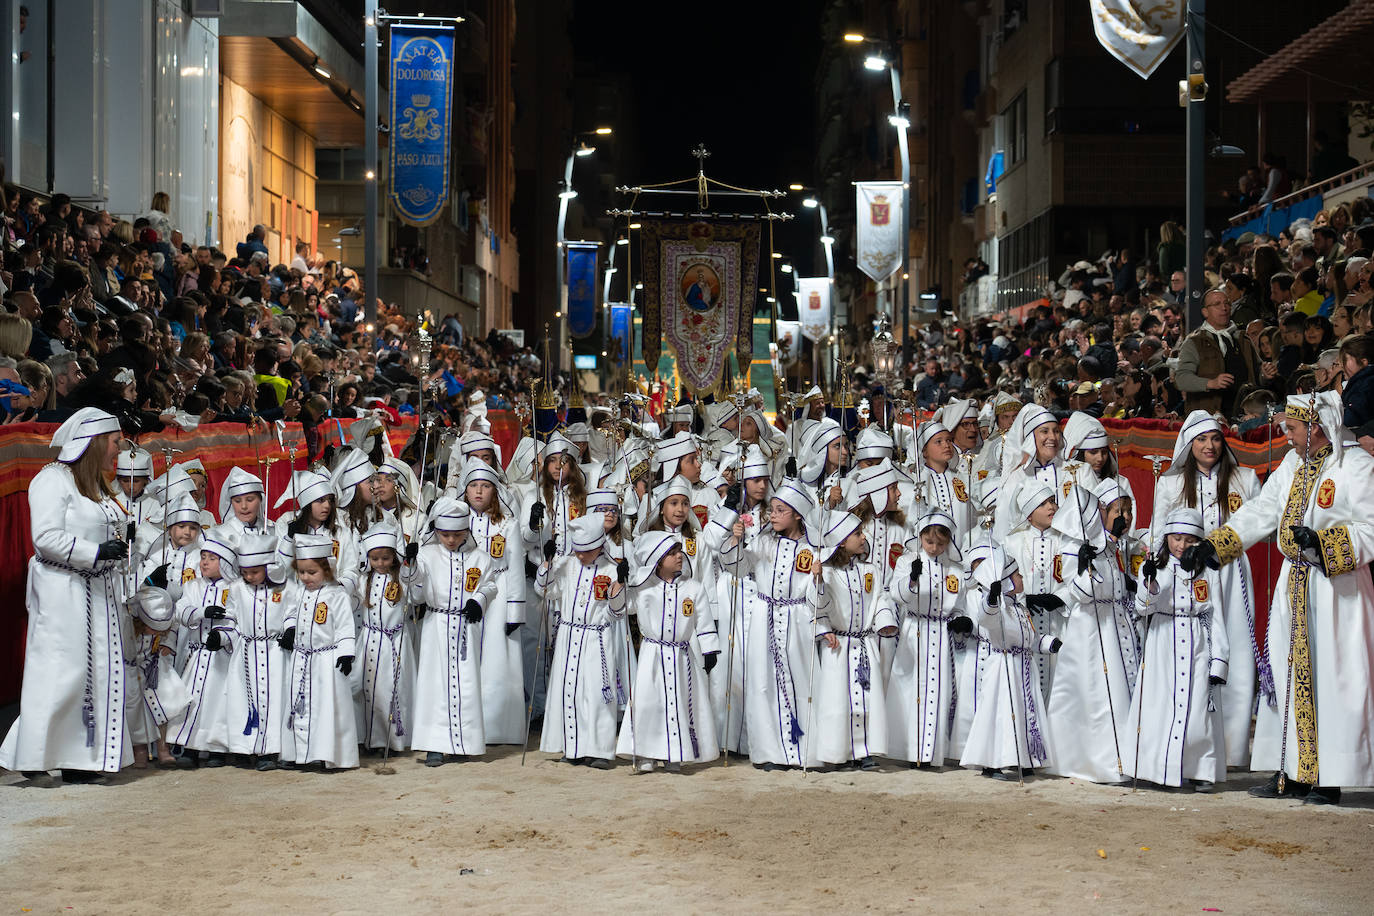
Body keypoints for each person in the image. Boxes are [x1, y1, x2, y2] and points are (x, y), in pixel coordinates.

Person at [1186, 391, 1374, 806]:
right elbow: (1262, 510)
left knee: (1332, 678)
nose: (1284, 434)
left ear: (1317, 428)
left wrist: (1325, 542)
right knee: (1285, 675)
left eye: (1292, 428)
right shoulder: (1292, 464)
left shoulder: (1357, 466)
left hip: (1335, 591)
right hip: (1294, 585)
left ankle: (1328, 776)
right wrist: (1216, 546)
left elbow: (1371, 527)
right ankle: (1292, 771)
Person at [0, 409, 135, 781]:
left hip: (95, 589)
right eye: (115, 441)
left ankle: (80, 759)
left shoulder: (94, 484)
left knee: (92, 674)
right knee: (62, 674)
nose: (119, 449)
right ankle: (41, 754)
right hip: (64, 592)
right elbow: (45, 538)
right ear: (93, 443)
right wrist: (94, 552)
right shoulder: (52, 480)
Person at [1149, 411, 1266, 767]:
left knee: (1237, 652)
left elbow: (1257, 524)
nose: (1210, 445)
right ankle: (1189, 743)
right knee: (1195, 651)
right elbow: (1158, 532)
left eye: (1215, 438)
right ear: (1189, 444)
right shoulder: (1170, 484)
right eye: (1202, 439)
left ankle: (1231, 749)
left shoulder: (1244, 478)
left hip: (1231, 573)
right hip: (1188, 576)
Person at [718, 479, 820, 770]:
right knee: (762, 684)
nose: (772, 515)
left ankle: (800, 750)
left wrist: (818, 577)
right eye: (772, 510)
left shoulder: (811, 548)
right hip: (764, 617)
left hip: (796, 619)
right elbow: (736, 567)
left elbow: (817, 593)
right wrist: (735, 541)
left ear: (797, 514)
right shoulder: (762, 542)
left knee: (799, 681)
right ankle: (768, 751)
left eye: (780, 510)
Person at [1124, 508, 1228, 792]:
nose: (1181, 546)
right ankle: (1157, 768)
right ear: (1167, 538)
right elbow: (1142, 608)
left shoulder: (1208, 572)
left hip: (1196, 640)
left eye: (1189, 541)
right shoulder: (1156, 567)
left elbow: (1215, 615)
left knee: (1197, 708)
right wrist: (1149, 583)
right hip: (1163, 640)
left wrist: (1219, 659)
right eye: (1176, 539)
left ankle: (1199, 768)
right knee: (1161, 705)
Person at [1044, 483, 1138, 785]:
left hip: (1115, 622)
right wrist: (1086, 565)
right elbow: (1080, 593)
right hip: (1091, 628)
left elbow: (1118, 584)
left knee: (1119, 689)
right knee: (1097, 692)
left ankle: (1127, 756)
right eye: (1116, 510)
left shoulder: (1112, 546)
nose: (1123, 516)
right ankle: (1101, 760)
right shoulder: (1076, 545)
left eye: (1127, 510)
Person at [616, 531, 720, 771]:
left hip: (682, 656)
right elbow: (619, 609)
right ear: (657, 559)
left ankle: (676, 752)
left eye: (679, 551)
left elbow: (703, 620)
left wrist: (709, 649)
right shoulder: (643, 589)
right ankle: (646, 754)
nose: (679, 556)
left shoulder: (693, 588)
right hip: (652, 656)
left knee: (679, 702)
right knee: (649, 703)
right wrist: (621, 583)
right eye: (672, 553)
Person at [958, 544, 1059, 780]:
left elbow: (1029, 639)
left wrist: (1049, 643)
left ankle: (1024, 758)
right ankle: (991, 762)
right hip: (1003, 668)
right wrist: (992, 598)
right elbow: (986, 617)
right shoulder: (998, 608)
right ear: (1006, 581)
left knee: (1025, 713)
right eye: (1017, 574)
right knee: (999, 713)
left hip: (1023, 668)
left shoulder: (1020, 608)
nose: (1022, 577)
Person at [534, 514, 628, 768]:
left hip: (597, 637)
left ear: (599, 545)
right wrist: (547, 563)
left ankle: (599, 750)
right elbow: (545, 589)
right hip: (568, 634)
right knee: (568, 691)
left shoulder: (611, 569)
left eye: (587, 550)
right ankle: (572, 747)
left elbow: (618, 612)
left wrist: (619, 584)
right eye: (578, 550)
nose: (581, 556)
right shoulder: (568, 565)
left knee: (597, 693)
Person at [807, 509, 898, 770]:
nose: (863, 537)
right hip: (840, 645)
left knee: (868, 699)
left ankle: (864, 751)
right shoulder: (828, 573)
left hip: (865, 644)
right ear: (841, 541)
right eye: (857, 534)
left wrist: (885, 622)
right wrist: (818, 581)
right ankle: (840, 753)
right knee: (839, 702)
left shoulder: (869, 570)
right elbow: (816, 607)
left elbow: (880, 598)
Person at [408, 500, 492, 766]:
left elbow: (490, 585)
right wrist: (409, 565)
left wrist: (478, 599)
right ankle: (434, 744)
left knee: (466, 685)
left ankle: (463, 743)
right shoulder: (427, 555)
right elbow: (415, 593)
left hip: (466, 626)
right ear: (437, 531)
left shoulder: (480, 557)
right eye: (446, 534)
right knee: (434, 685)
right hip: (436, 626)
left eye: (458, 534)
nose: (452, 539)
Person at [888, 511, 964, 767]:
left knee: (939, 691)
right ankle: (912, 751)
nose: (934, 548)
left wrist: (960, 618)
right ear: (920, 537)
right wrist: (911, 579)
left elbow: (959, 604)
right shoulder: (907, 561)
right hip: (915, 630)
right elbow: (898, 596)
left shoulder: (954, 569)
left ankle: (932, 753)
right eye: (930, 542)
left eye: (941, 544)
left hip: (941, 634)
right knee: (913, 690)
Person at [460, 463, 528, 744]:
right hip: (466, 591)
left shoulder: (507, 524)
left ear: (495, 491)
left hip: (498, 594)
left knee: (497, 661)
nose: (479, 491)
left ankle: (498, 726)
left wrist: (515, 610)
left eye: (485, 486)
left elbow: (514, 567)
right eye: (474, 485)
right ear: (464, 490)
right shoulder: (456, 520)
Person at [279, 534, 358, 771]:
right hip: (302, 658)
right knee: (298, 706)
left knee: (323, 709)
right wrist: (290, 629)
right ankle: (298, 754)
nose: (306, 578)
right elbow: (290, 613)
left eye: (311, 572)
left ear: (327, 569)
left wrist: (346, 653)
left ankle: (322, 754)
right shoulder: (299, 591)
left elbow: (345, 627)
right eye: (302, 572)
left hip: (326, 660)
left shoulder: (336, 595)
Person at [167, 530, 239, 767]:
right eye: (203, 557)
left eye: (212, 558)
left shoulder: (235, 588)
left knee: (218, 702)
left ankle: (216, 747)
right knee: (192, 699)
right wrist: (201, 613)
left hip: (221, 658)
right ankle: (188, 746)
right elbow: (181, 610)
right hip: (196, 655)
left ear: (226, 562)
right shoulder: (194, 586)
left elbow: (238, 621)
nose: (205, 562)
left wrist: (223, 637)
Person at [222, 533, 290, 770]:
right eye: (245, 572)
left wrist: (289, 630)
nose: (249, 577)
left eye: (255, 572)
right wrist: (221, 636)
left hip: (273, 651)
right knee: (241, 699)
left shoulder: (281, 589)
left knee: (274, 700)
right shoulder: (237, 588)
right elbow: (230, 617)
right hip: (246, 652)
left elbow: (291, 612)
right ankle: (242, 748)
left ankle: (269, 751)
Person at [353, 521, 416, 755]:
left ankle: (392, 739)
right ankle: (370, 738)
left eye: (385, 558)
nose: (380, 564)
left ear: (394, 558)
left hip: (395, 640)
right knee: (369, 691)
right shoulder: (363, 581)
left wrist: (411, 565)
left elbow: (417, 594)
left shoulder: (402, 579)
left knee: (394, 689)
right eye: (375, 559)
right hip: (370, 641)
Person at [1175, 287, 1260, 418]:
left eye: (1227, 303)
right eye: (1217, 304)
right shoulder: (1195, 342)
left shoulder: (1243, 339)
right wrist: (1211, 383)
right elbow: (1181, 379)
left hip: (1245, 416)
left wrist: (1266, 374)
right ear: (1205, 312)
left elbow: (1258, 374)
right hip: (1209, 419)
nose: (1224, 308)